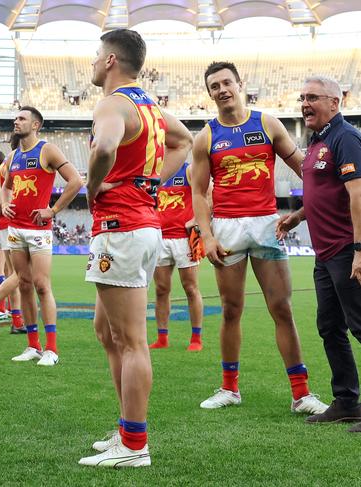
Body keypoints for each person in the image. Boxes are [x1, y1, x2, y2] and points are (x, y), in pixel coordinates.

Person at [79, 29, 192, 468]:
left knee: (130, 341)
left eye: (95, 55)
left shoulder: (112, 104)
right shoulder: (150, 107)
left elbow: (105, 147)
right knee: (107, 332)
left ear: (110, 60)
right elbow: (182, 142)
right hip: (139, 225)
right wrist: (149, 181)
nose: (92, 63)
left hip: (121, 226)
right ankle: (127, 428)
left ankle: (134, 446)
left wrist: (95, 186)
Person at [191, 61, 326, 414]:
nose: (222, 90)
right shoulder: (205, 136)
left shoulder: (266, 123)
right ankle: (229, 388)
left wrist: (308, 208)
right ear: (210, 94)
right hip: (228, 227)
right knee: (231, 310)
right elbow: (198, 192)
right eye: (214, 86)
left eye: (226, 83)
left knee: (281, 308)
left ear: (240, 84)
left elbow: (305, 169)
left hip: (268, 224)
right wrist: (206, 236)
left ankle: (301, 394)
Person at [277, 76, 361, 432]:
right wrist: (296, 216)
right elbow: (323, 194)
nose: (304, 103)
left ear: (335, 102)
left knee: (359, 325)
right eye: (302, 97)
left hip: (346, 249)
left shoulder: (347, 139)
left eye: (312, 97)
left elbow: (358, 196)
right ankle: (346, 401)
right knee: (330, 326)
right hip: (324, 253)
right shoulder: (317, 142)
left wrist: (359, 250)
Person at [1, 106, 83, 365]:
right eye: (16, 118)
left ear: (35, 125)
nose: (17, 121)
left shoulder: (47, 150)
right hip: (16, 229)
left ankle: (52, 349)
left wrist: (53, 209)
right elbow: (5, 186)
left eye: (22, 118)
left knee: (41, 285)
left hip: (38, 230)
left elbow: (76, 181)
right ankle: (32, 345)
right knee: (23, 284)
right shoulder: (13, 155)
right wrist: (4, 204)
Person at [150, 162, 204, 351]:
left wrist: (197, 219)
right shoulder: (153, 171)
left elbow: (209, 193)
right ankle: (162, 338)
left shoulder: (188, 169)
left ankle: (196, 338)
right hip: (160, 237)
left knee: (190, 288)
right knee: (161, 289)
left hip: (183, 239)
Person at [0, 149, 26, 332]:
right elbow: (3, 195)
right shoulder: (12, 163)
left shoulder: (4, 166)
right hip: (8, 222)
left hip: (4, 222)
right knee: (16, 273)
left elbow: (1, 196)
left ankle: (7, 313)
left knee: (11, 272)